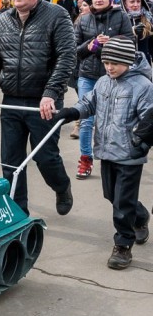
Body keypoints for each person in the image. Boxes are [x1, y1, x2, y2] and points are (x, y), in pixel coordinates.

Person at [0, 0, 75, 216]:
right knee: (10, 161)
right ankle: (18, 212)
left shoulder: (56, 15)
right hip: (11, 102)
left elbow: (67, 57)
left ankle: (62, 186)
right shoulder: (3, 19)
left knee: (46, 157)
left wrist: (51, 92)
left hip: (43, 102)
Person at [54, 37, 153, 269]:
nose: (110, 67)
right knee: (112, 195)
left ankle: (123, 245)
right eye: (106, 62)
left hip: (130, 153)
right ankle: (140, 216)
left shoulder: (142, 86)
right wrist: (71, 112)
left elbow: (150, 117)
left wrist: (141, 140)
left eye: (115, 63)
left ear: (128, 61)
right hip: (107, 151)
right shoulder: (102, 82)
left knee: (122, 203)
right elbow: (89, 103)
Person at [74, 0, 133, 180]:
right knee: (86, 121)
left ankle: (114, 159)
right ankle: (85, 158)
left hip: (113, 77)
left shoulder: (120, 17)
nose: (99, 0)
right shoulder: (83, 19)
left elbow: (130, 43)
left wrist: (113, 43)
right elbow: (75, 51)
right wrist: (91, 45)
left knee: (114, 120)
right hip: (88, 76)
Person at [68, 0, 92, 140]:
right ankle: (79, 124)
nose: (82, 8)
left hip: (94, 68)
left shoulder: (99, 22)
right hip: (78, 65)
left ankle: (82, 123)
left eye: (85, 5)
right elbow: (74, 47)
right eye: (81, 5)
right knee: (82, 97)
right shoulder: (78, 21)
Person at [121, 0, 153, 64]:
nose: (136, 5)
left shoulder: (148, 18)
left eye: (138, 1)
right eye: (132, 2)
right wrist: (132, 31)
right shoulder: (120, 18)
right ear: (125, 4)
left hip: (144, 63)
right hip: (125, 62)